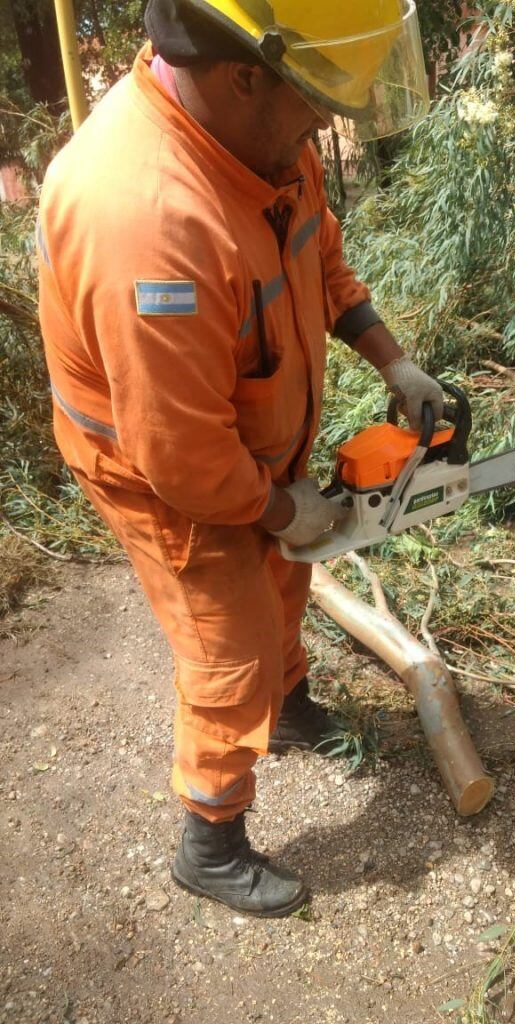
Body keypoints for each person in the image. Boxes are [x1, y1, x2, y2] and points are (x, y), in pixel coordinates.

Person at [37, 0, 442, 917]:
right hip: (166, 470)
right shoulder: (145, 222)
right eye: (314, 101)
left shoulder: (262, 136)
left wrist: (391, 357)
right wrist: (272, 505)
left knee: (290, 572)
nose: (326, 125)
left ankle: (289, 705)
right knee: (229, 647)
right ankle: (210, 839)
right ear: (245, 73)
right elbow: (180, 454)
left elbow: (319, 255)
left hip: (254, 431)